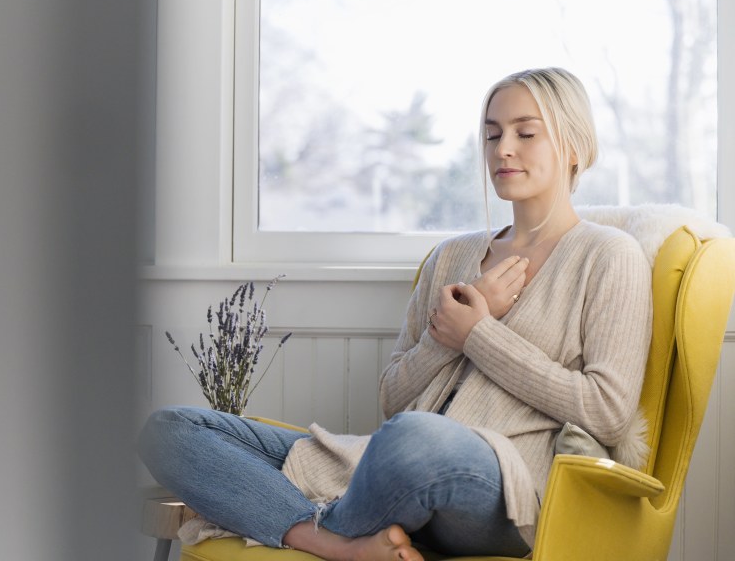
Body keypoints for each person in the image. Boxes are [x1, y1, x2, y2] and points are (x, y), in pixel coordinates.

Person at [138, 67, 652, 561]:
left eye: (526, 133)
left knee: (415, 437)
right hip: (386, 462)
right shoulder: (451, 256)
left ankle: (306, 520)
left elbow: (607, 409)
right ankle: (337, 546)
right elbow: (392, 397)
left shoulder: (610, 255)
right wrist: (442, 340)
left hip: (503, 489)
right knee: (170, 429)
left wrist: (477, 333)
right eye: (493, 135)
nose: (504, 149)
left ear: (576, 147)